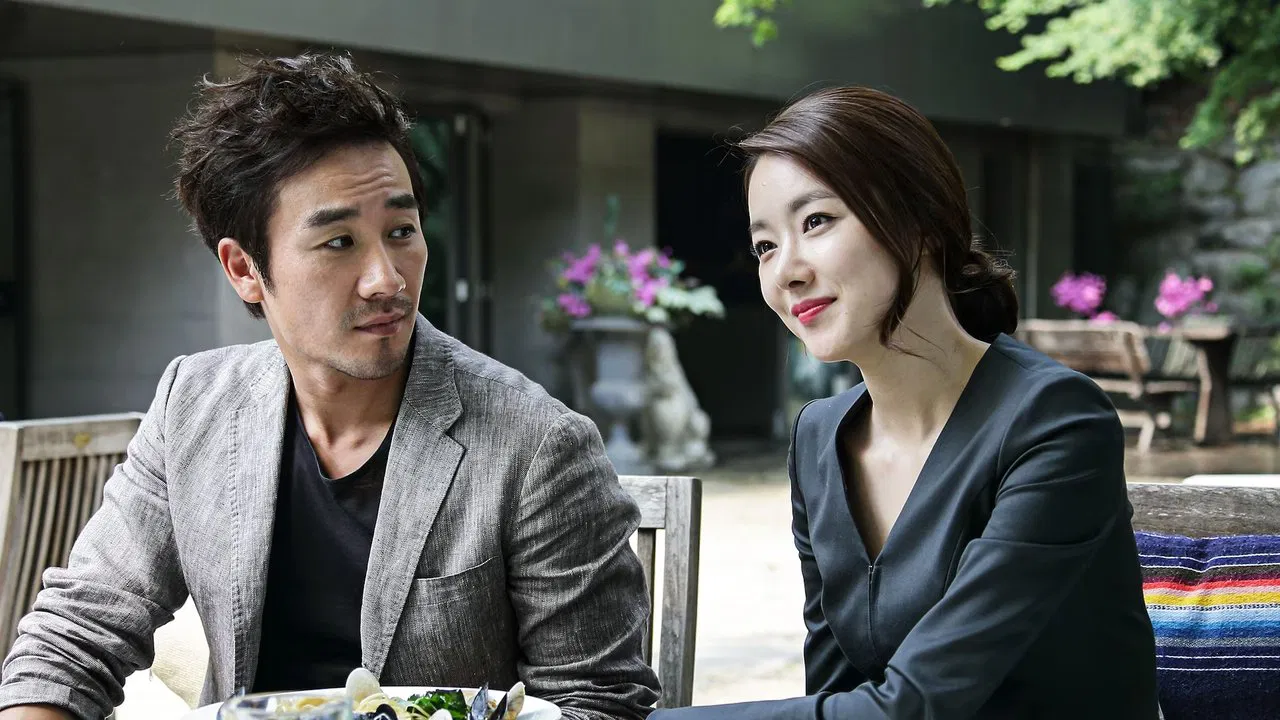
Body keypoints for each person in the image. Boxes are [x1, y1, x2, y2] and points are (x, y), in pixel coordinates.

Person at [0, 53, 660, 720]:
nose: (387, 279)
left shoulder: (536, 445)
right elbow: (75, 635)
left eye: (401, 232)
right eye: (339, 242)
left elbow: (599, 704)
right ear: (244, 269)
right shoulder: (193, 404)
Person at [653, 87, 1160, 719]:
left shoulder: (1055, 420)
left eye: (816, 222)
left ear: (918, 221)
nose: (786, 272)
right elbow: (835, 699)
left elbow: (914, 708)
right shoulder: (819, 438)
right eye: (765, 246)